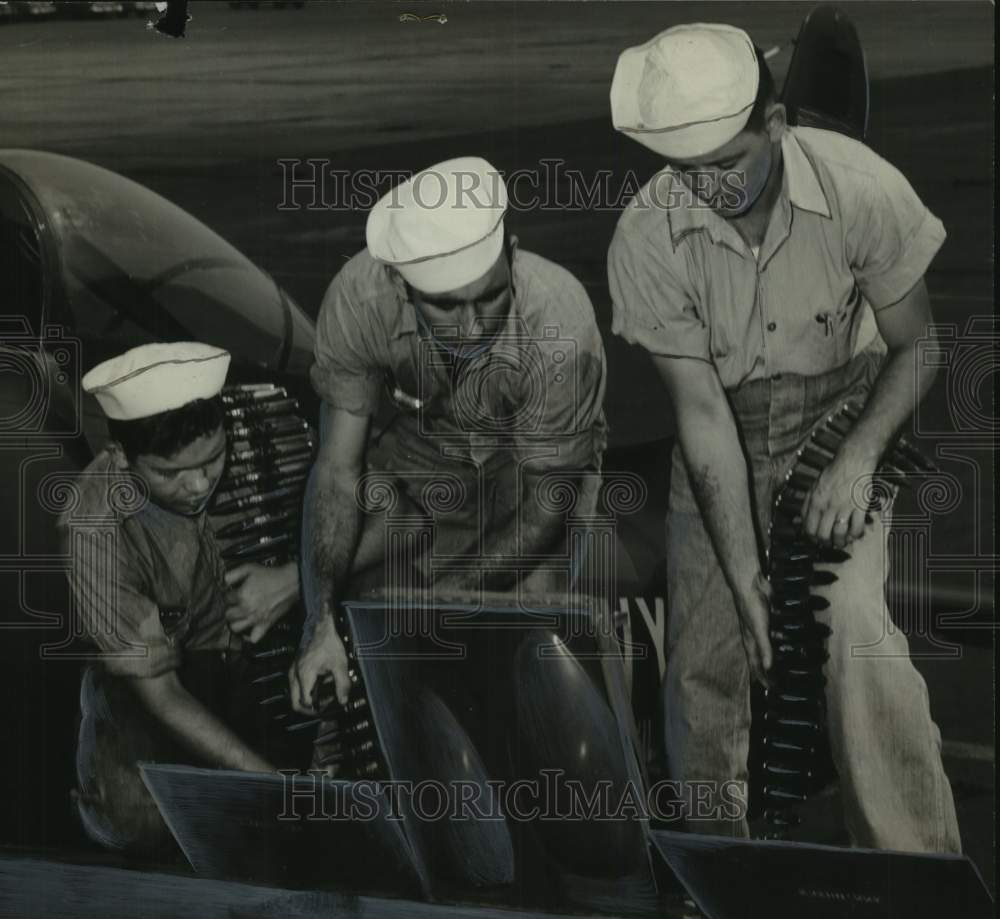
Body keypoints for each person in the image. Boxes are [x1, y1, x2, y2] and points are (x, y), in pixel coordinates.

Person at [607, 24, 960, 852]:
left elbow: (921, 348)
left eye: (725, 164)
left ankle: (919, 866)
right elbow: (700, 417)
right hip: (723, 431)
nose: (708, 188)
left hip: (845, 410)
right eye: (685, 172)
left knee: (852, 629)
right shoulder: (646, 236)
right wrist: (741, 576)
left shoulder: (862, 190)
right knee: (705, 660)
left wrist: (859, 460)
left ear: (774, 124)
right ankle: (713, 867)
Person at [289, 157, 607, 715]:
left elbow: (547, 503)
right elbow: (338, 471)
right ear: (398, 284)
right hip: (422, 452)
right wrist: (319, 624)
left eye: (489, 298)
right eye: (444, 306)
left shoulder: (560, 322)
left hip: (529, 468)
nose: (471, 327)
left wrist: (439, 602)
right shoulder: (359, 301)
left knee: (533, 646)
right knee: (360, 622)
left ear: (511, 257)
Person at [61, 342, 298, 853]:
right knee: (136, 819)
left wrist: (295, 579)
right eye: (170, 473)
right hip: (150, 687)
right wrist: (278, 789)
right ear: (121, 455)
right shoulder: (93, 532)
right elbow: (162, 698)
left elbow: (389, 516)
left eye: (213, 461)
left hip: (248, 667)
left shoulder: (260, 430)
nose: (198, 485)